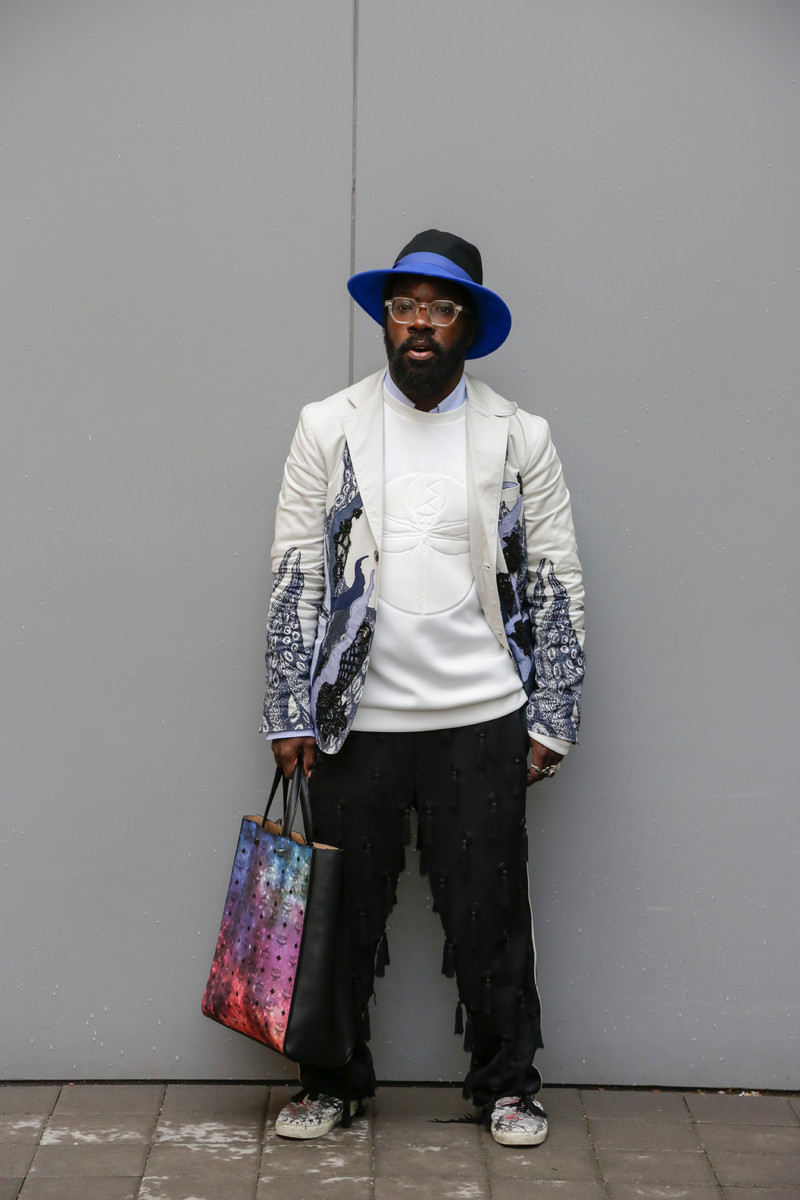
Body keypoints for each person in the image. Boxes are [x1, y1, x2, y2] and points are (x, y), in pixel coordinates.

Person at [261, 229, 585, 1147]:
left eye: (440, 309)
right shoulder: (329, 425)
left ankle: (508, 1087)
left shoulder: (519, 436)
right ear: (386, 319)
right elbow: (295, 571)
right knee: (339, 913)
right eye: (404, 306)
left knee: (492, 912)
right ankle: (332, 1083)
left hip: (482, 716)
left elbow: (555, 577)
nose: (419, 323)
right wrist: (289, 710)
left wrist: (553, 717)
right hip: (354, 720)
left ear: (468, 326)